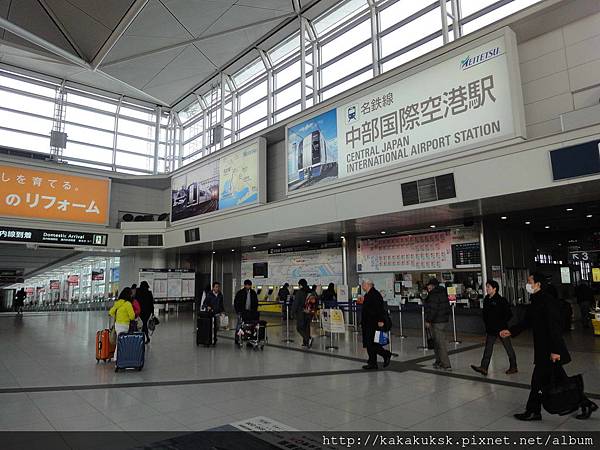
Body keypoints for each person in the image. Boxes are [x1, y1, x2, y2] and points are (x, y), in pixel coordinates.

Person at [500, 272, 597, 421]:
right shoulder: (535, 301)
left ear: (538, 284)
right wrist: (511, 331)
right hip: (543, 349)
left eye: (530, 281)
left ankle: (533, 411)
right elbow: (527, 322)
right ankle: (585, 403)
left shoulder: (547, 301)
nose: (527, 284)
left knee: (538, 381)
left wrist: (555, 350)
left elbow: (554, 327)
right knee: (561, 381)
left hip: (550, 350)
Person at [471, 280, 517, 376]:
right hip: (491, 330)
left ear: (495, 288)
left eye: (488, 287)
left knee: (508, 348)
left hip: (502, 329)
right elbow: (485, 315)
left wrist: (501, 325)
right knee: (488, 348)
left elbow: (509, 315)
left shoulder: (501, 300)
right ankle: (484, 367)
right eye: (486, 286)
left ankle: (513, 366)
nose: (487, 289)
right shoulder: (487, 299)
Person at [360, 279, 392, 370]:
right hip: (368, 323)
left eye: (363, 284)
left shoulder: (375, 294)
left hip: (374, 323)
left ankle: (386, 354)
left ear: (368, 284)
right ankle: (372, 362)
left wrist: (381, 320)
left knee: (373, 344)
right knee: (369, 343)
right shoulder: (367, 295)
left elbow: (380, 309)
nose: (362, 286)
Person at [424, 278, 451, 370]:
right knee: (437, 342)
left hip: (436, 321)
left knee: (440, 343)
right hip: (443, 320)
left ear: (432, 286)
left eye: (429, 285)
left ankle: (446, 364)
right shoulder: (443, 293)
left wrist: (428, 320)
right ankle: (439, 361)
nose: (427, 287)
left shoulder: (434, 295)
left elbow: (433, 309)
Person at [109, 288, 135, 363]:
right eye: (130, 294)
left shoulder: (118, 303)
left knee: (119, 341)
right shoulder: (128, 304)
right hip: (124, 325)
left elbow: (111, 312)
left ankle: (116, 357)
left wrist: (117, 316)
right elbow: (132, 316)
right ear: (128, 295)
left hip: (117, 325)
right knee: (123, 342)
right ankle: (118, 358)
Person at [233, 280, 258, 346]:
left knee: (250, 326)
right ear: (244, 285)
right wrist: (238, 311)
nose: (248, 286)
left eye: (249, 285)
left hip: (250, 312)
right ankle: (237, 338)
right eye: (247, 285)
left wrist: (254, 311)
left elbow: (255, 302)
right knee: (239, 325)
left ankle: (249, 340)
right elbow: (236, 302)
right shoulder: (240, 293)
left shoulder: (253, 293)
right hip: (242, 312)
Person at [292, 279, 313, 348]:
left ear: (300, 285)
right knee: (306, 327)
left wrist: (293, 311)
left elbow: (296, 303)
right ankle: (306, 343)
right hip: (309, 312)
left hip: (301, 312)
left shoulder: (299, 292)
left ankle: (308, 339)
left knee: (299, 328)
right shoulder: (310, 291)